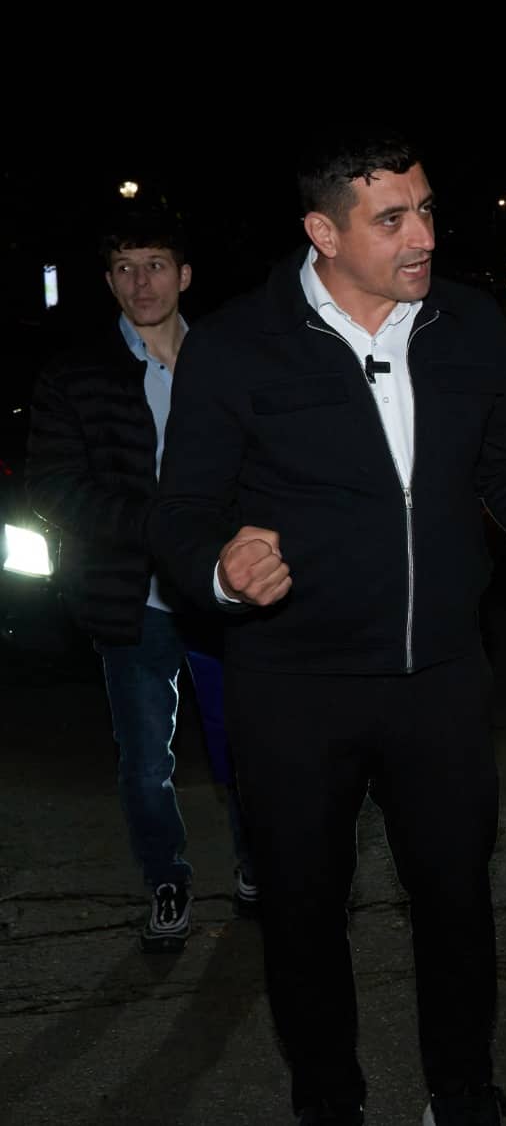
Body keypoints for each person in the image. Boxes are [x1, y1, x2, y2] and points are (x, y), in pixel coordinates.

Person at [150, 133, 506, 1126]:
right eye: (393, 219)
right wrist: (222, 571)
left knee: (455, 899)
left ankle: (463, 1090)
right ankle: (329, 1100)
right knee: (302, 912)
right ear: (323, 233)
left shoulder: (468, 323)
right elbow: (183, 514)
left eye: (427, 210)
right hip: (294, 685)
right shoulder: (236, 345)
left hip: (440, 678)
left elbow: (505, 469)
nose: (424, 237)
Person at [26, 212, 255, 955]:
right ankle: (167, 880)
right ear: (108, 281)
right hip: (132, 597)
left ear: (183, 274)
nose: (141, 282)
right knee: (146, 761)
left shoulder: (230, 361)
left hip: (225, 592)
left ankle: (258, 866)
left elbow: (270, 465)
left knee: (246, 744)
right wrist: (156, 527)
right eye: (124, 268)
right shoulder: (76, 374)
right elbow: (54, 487)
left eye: (155, 264)